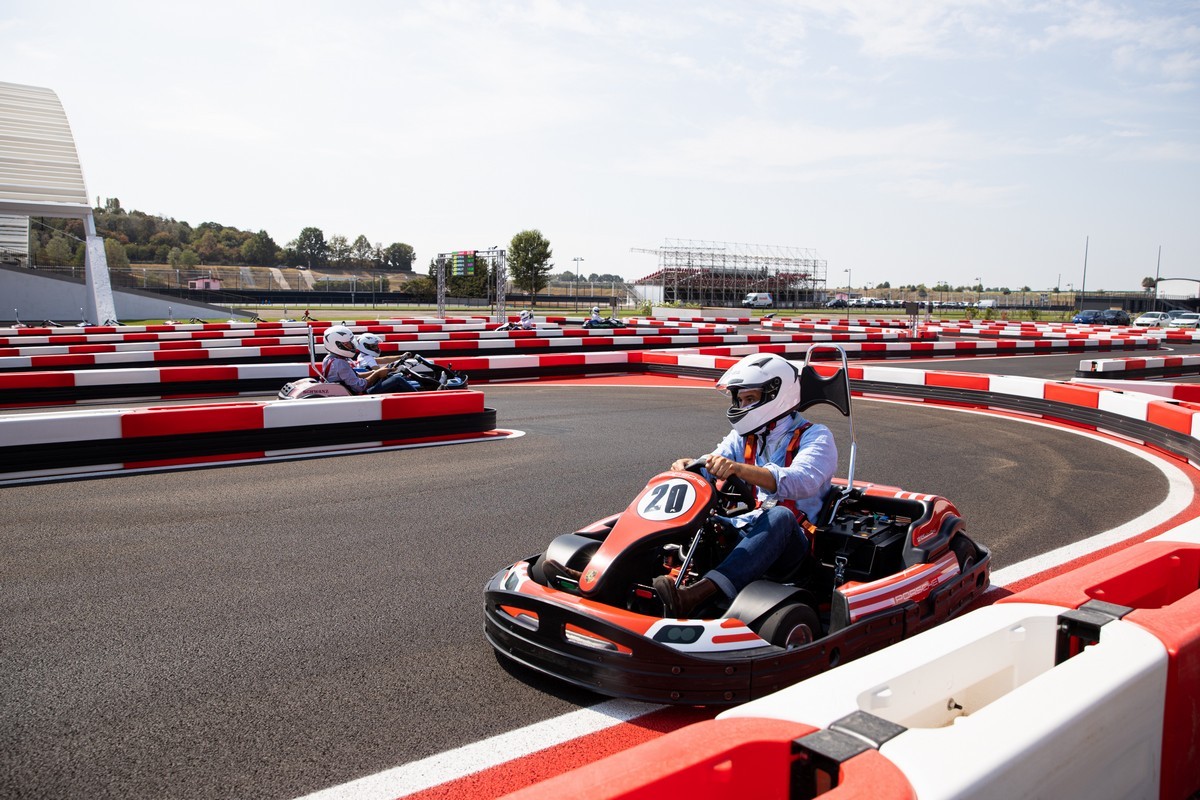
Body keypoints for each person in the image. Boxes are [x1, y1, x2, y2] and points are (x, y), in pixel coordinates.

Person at [658, 353, 837, 616]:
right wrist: (693, 467)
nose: (742, 405)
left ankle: (696, 596)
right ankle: (613, 565)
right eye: (740, 399)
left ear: (778, 394)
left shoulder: (817, 436)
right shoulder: (744, 436)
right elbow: (716, 461)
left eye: (750, 399)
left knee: (780, 516)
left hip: (797, 548)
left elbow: (802, 481)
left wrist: (740, 469)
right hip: (750, 529)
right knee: (693, 503)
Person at [321, 325, 413, 394]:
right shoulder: (340, 363)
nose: (352, 346)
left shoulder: (330, 359)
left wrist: (377, 372)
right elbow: (359, 387)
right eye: (348, 344)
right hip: (360, 394)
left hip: (349, 389)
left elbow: (355, 376)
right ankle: (420, 399)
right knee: (397, 380)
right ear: (338, 345)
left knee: (392, 379)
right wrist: (377, 374)